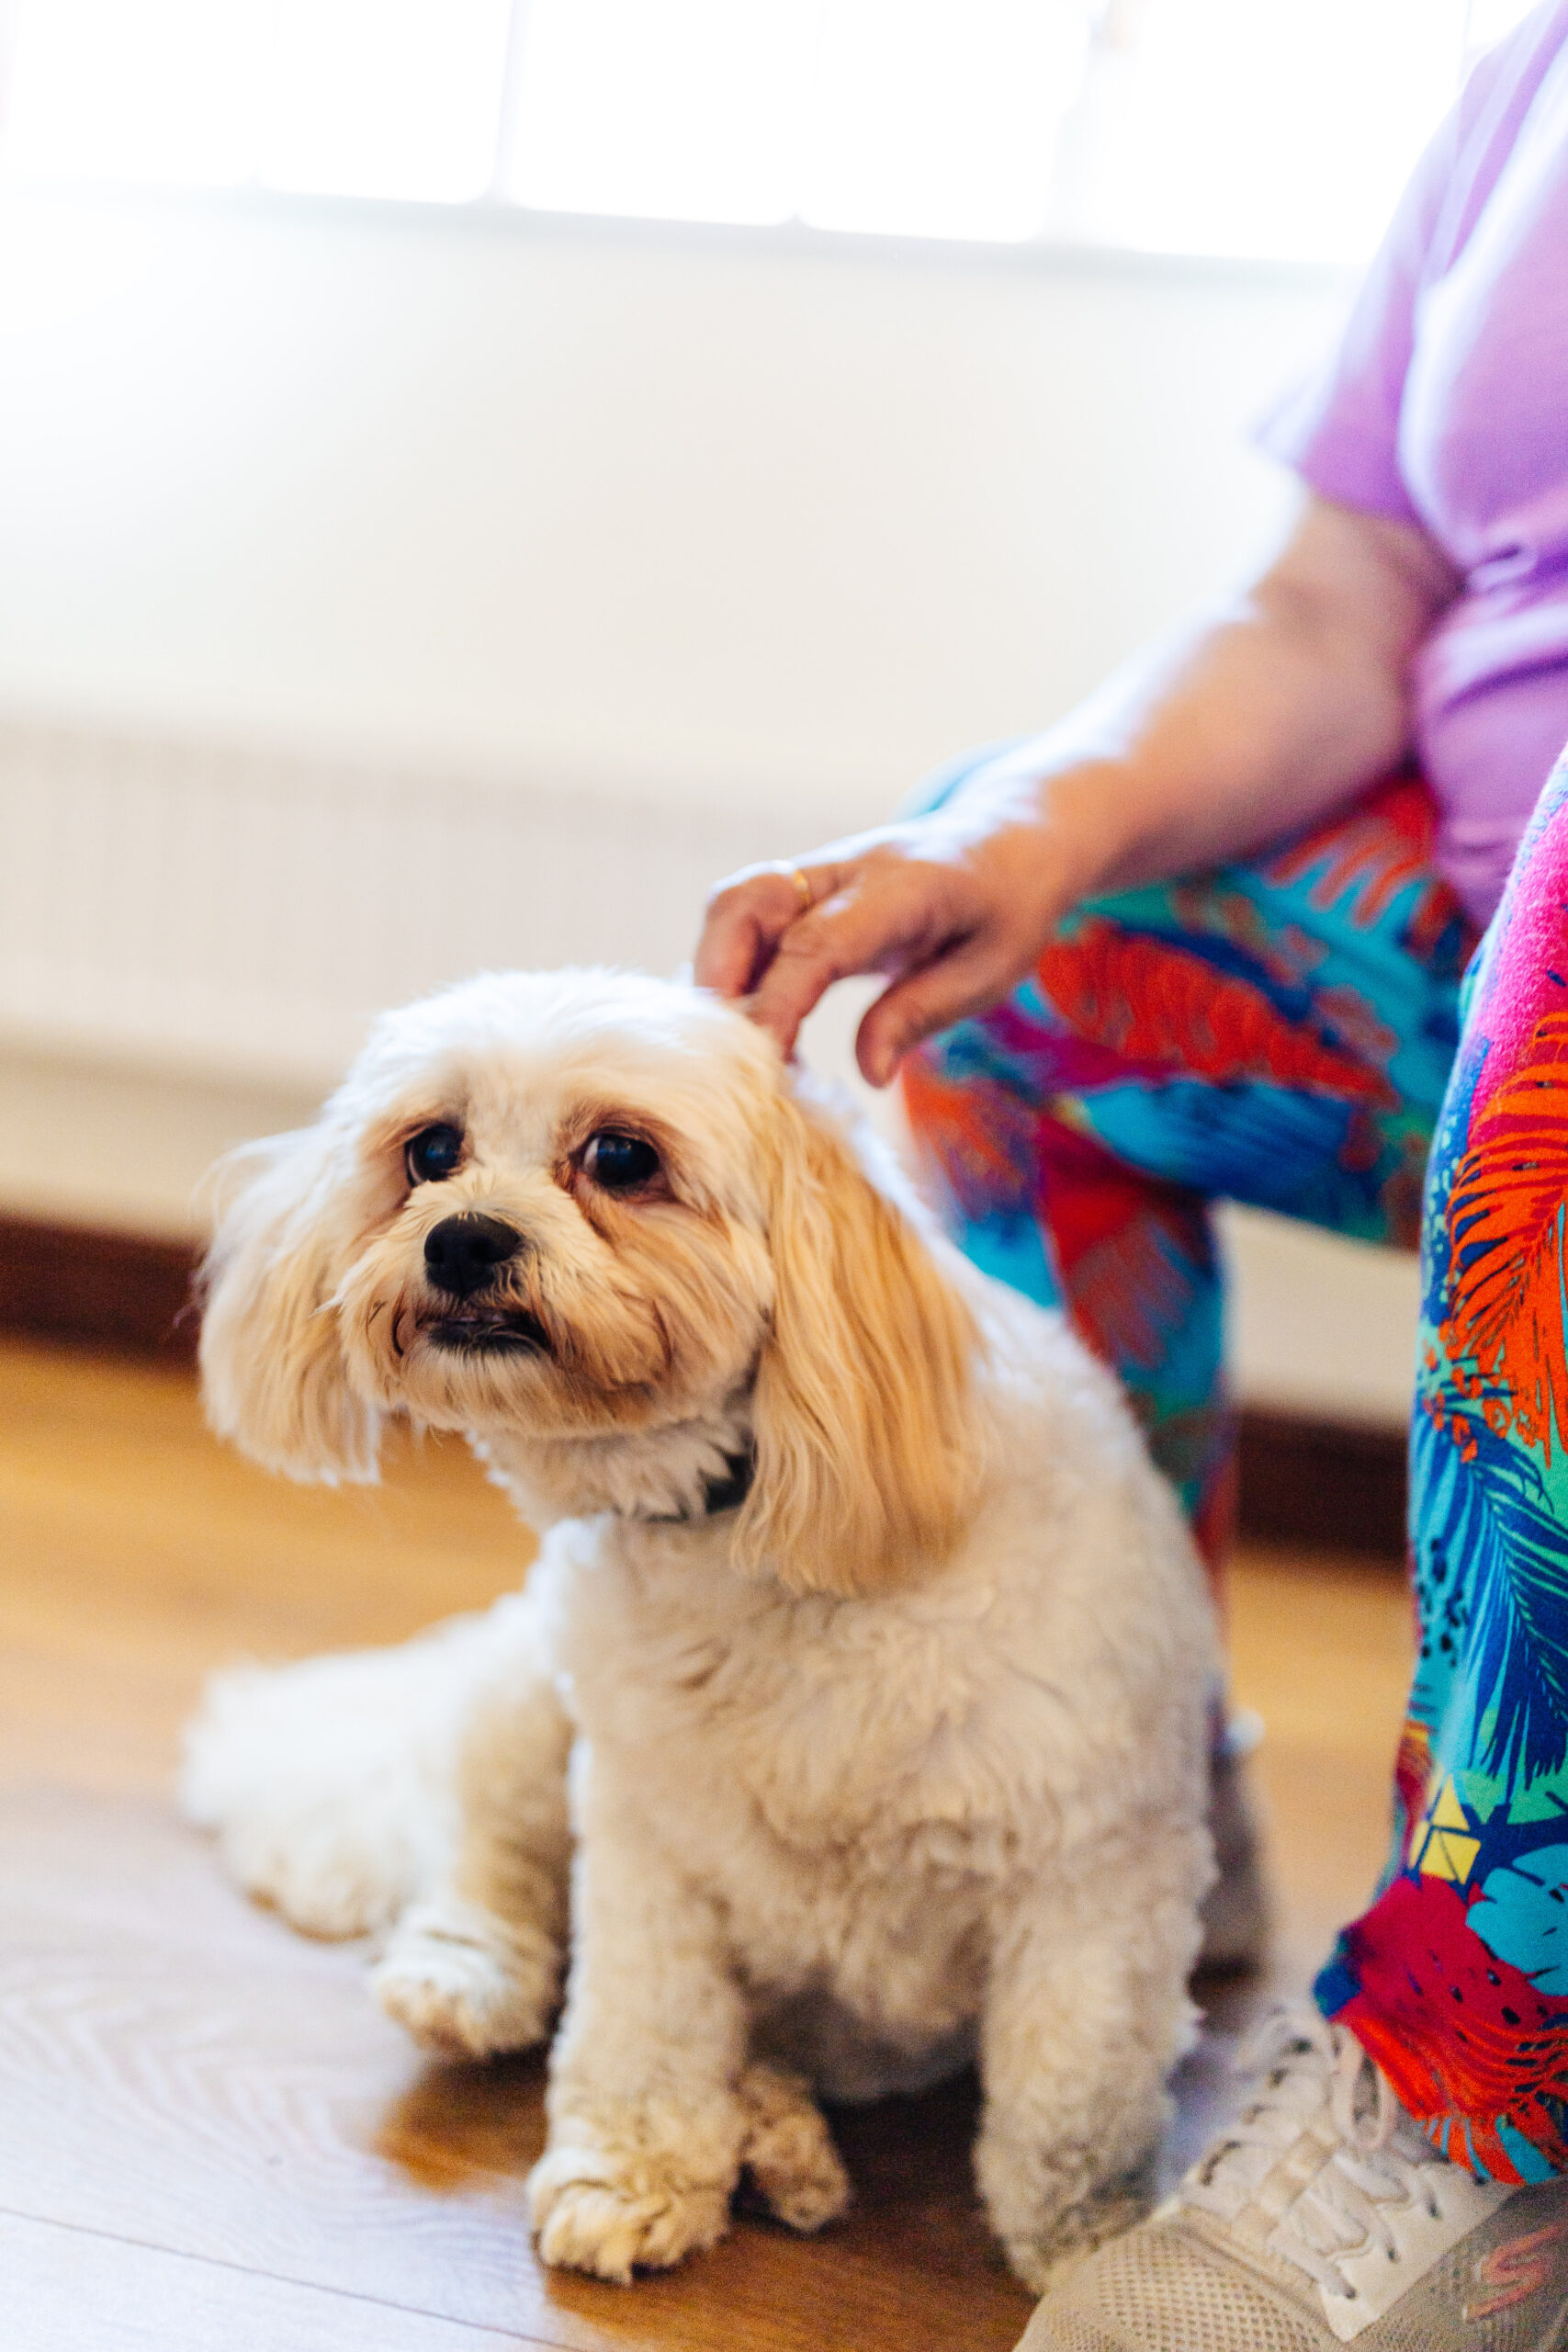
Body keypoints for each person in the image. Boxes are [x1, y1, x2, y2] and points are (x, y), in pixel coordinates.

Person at [694, 6, 1568, 2344]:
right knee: (1007, 951)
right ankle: (1115, 1804)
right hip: (1464, 969)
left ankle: (1489, 2066)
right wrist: (1013, 831)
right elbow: (1328, 605)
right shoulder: (1529, 79)